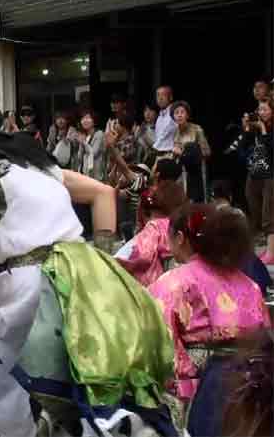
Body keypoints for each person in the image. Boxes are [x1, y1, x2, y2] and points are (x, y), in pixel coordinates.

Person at [0, 96, 175, 436]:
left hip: (33, 282)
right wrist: (102, 261)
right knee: (90, 372)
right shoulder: (35, 164)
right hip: (87, 267)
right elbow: (103, 193)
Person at [149, 204, 270, 421]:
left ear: (180, 238)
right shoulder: (250, 285)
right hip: (253, 388)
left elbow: (160, 345)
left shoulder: (173, 283)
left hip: (200, 391)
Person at [116, 181, 186, 286]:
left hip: (152, 284)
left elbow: (143, 255)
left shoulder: (154, 227)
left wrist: (119, 263)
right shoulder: (180, 227)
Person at [240, 98, 274, 261]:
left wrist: (264, 130)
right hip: (255, 172)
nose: (262, 112)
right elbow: (243, 146)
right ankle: (266, 246)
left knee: (269, 212)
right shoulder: (255, 128)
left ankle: (271, 252)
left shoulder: (268, 129)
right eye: (260, 109)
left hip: (271, 174)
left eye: (265, 109)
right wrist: (247, 128)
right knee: (254, 207)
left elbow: (271, 149)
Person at [171, 100, 211, 202]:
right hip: (182, 172)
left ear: (187, 115)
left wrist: (187, 153)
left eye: (182, 112)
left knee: (197, 201)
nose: (179, 115)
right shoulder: (174, 132)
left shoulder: (197, 129)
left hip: (197, 171)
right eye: (176, 113)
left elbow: (207, 152)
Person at [76, 109, 107, 182]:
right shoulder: (85, 136)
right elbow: (79, 157)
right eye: (83, 118)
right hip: (85, 174)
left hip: (96, 176)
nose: (85, 121)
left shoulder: (99, 134)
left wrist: (83, 142)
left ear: (94, 121)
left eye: (88, 118)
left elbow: (93, 153)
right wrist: (81, 143)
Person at [154, 85, 177, 158]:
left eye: (163, 95)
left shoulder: (175, 112)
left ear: (170, 97)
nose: (160, 98)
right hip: (159, 155)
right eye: (158, 95)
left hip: (171, 155)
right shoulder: (159, 116)